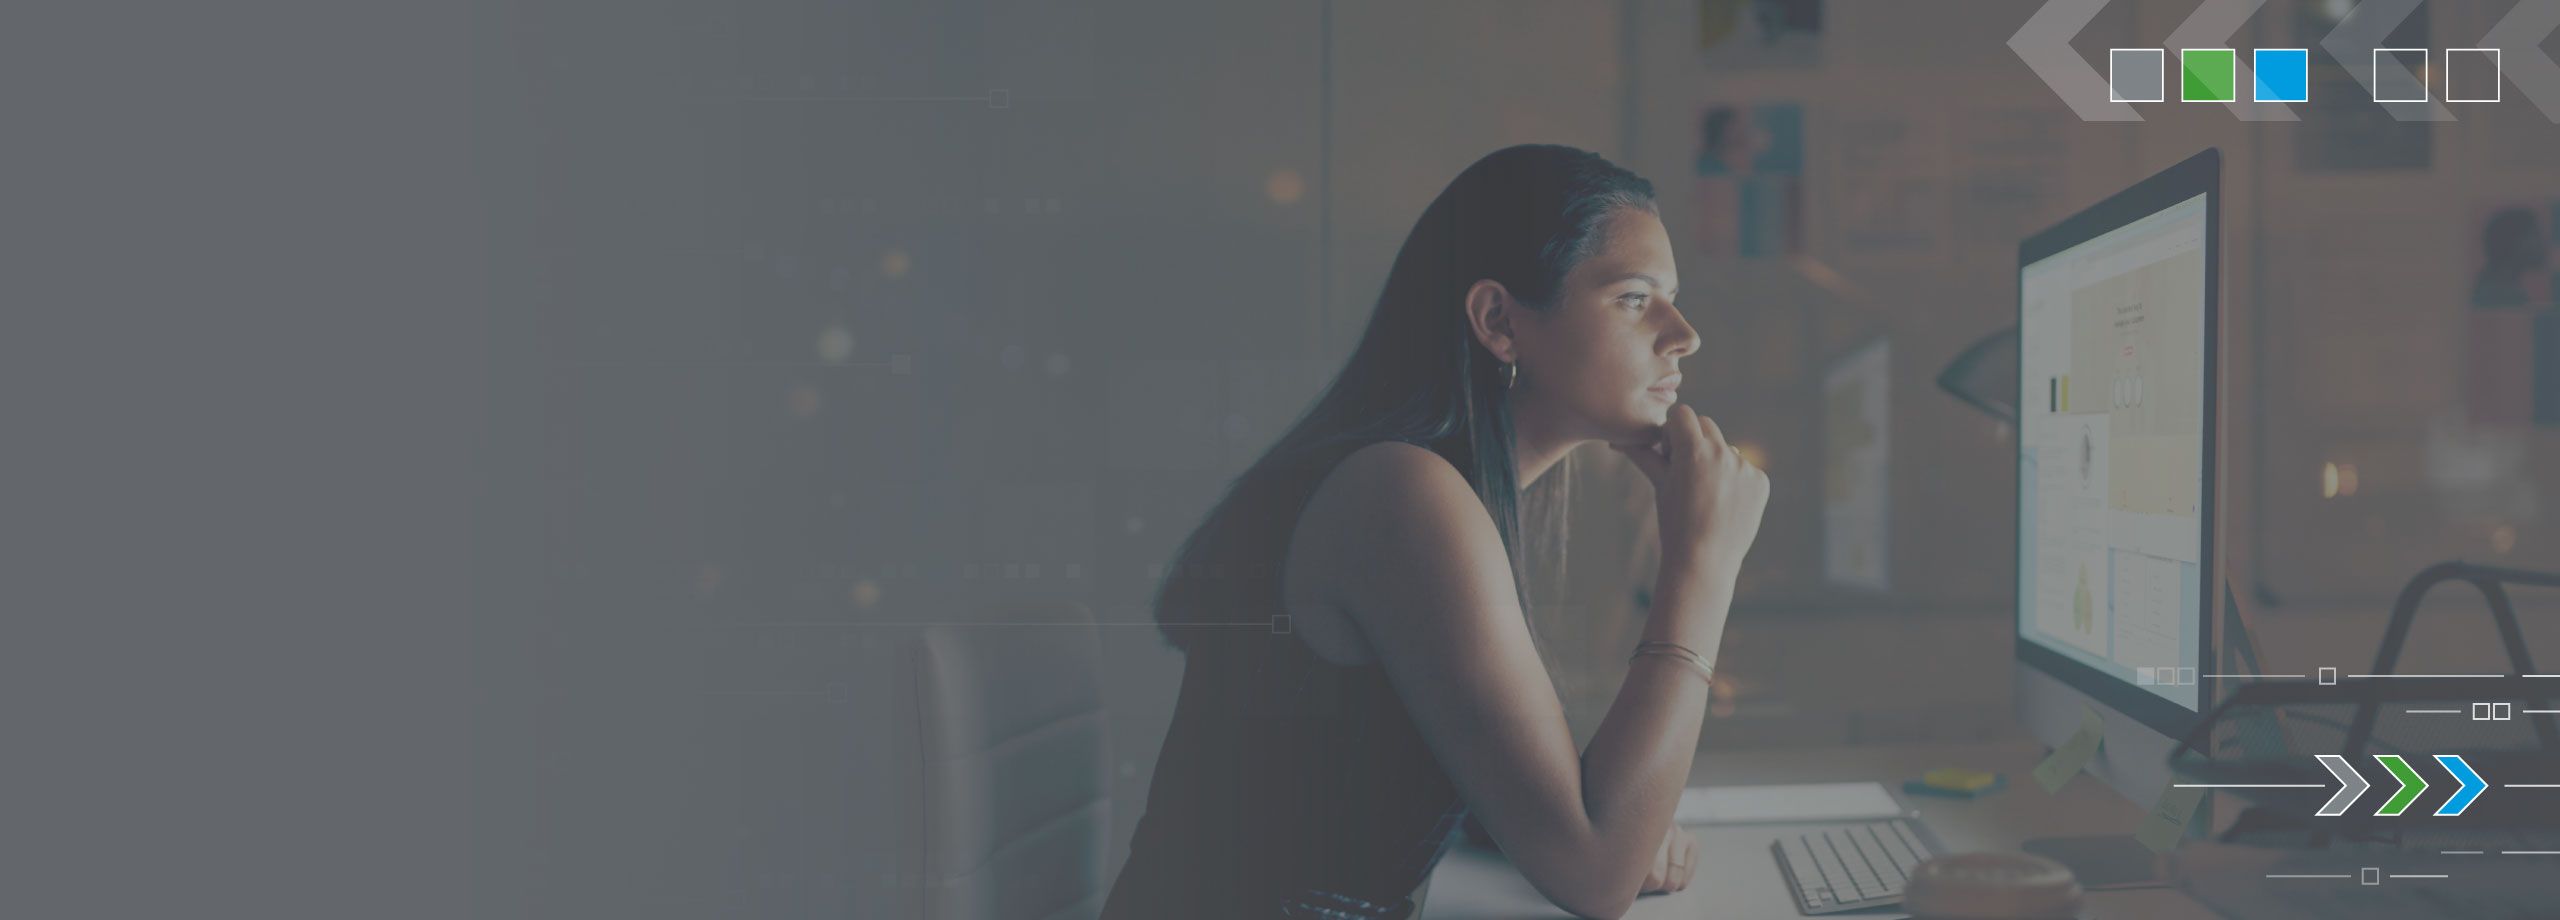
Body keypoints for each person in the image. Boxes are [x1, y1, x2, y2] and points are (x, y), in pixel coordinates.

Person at [1098, 145, 1769, 920]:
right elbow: (1596, 878)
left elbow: (1434, 782)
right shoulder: (1402, 496)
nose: (1681, 332)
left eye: (1672, 298)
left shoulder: (1430, 490)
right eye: (1633, 297)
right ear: (1498, 321)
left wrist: (1609, 817)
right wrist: (1703, 562)